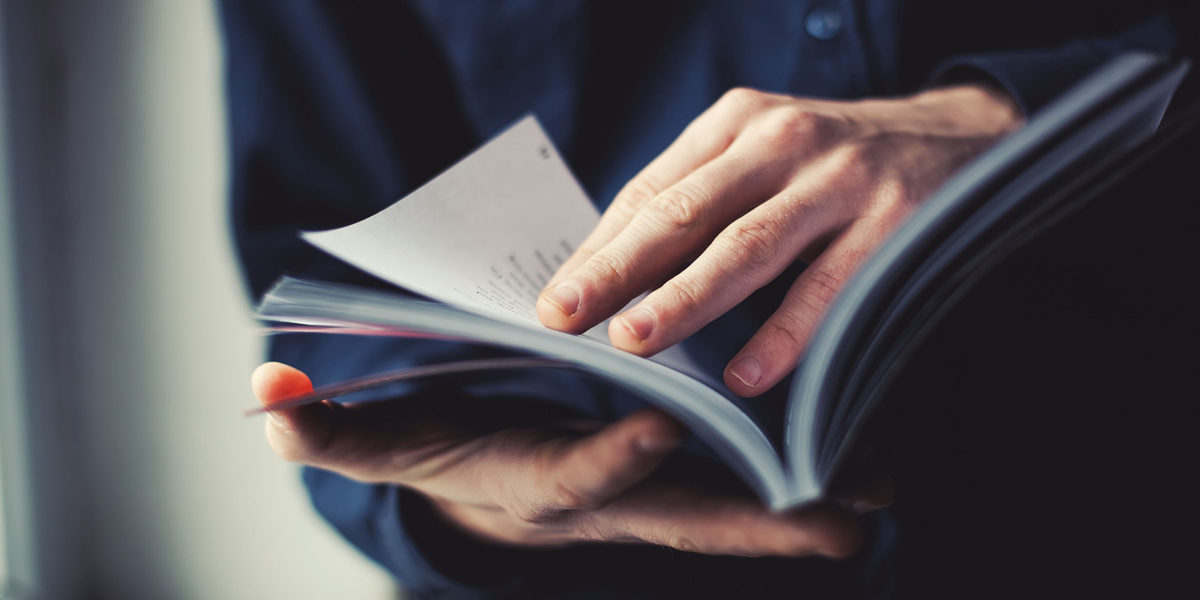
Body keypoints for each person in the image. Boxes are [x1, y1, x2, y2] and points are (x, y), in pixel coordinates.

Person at [220, 1, 1197, 597]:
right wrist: (461, 498)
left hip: (1129, 517)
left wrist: (1042, 117)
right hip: (586, 575)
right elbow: (334, 232)